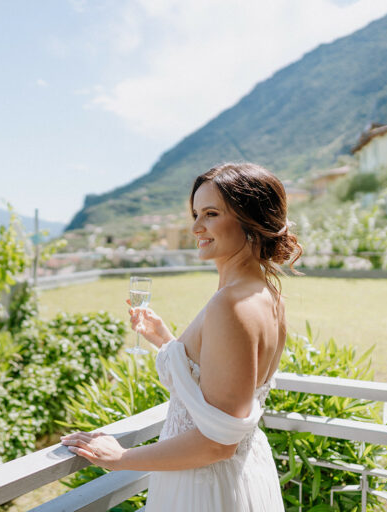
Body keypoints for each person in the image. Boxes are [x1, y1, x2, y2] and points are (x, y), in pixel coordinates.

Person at [61, 162, 303, 511]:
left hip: (204, 488)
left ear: (250, 219)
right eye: (195, 213)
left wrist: (120, 456)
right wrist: (165, 339)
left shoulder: (230, 304)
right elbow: (218, 386)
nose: (196, 227)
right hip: (240, 476)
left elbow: (218, 443)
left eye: (211, 213)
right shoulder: (266, 295)